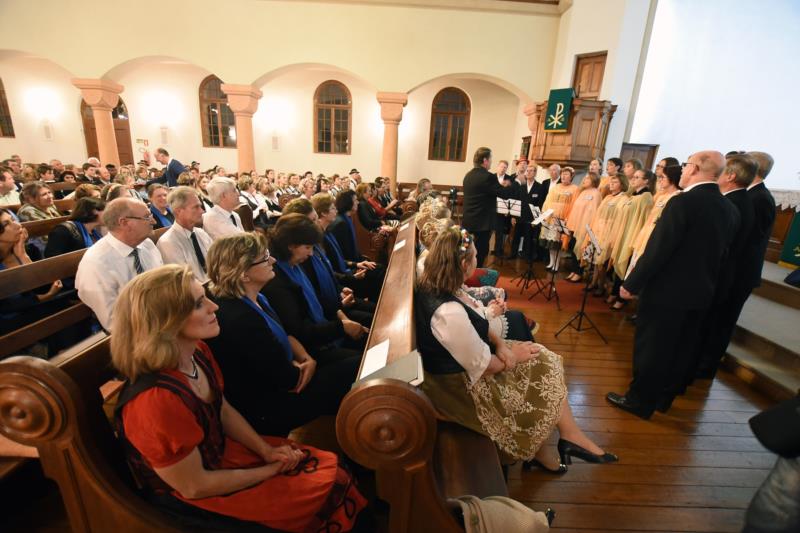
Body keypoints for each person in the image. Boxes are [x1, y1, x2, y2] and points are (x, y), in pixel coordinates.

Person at [110, 265, 369, 532]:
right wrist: (269, 470)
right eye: (200, 304)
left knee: (334, 469)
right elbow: (193, 486)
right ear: (166, 321)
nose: (215, 307)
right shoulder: (154, 400)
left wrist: (265, 450)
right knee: (324, 489)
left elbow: (222, 409)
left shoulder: (198, 351)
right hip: (196, 497)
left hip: (222, 459)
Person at [415, 226, 617, 469]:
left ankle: (568, 437)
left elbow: (475, 320)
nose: (478, 260)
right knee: (536, 363)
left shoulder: (441, 283)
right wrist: (515, 356)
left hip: (468, 363)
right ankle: (556, 444)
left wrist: (501, 344)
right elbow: (485, 366)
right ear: (464, 264)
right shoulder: (446, 312)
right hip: (456, 386)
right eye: (476, 256)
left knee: (543, 358)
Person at [607, 150, 738, 419]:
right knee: (680, 348)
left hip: (667, 292)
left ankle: (639, 401)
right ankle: (662, 399)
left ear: (697, 169)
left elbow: (659, 249)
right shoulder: (729, 208)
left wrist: (631, 283)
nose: (684, 169)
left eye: (688, 164)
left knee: (652, 348)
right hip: (701, 292)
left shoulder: (682, 203)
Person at [204, 233, 360, 437]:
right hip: (269, 407)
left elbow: (285, 334)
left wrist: (306, 358)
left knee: (357, 366)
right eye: (264, 258)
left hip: (291, 371)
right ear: (243, 274)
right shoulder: (240, 318)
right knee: (355, 371)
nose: (273, 260)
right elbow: (290, 380)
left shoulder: (256, 295)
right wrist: (304, 364)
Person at [263, 214, 368, 362]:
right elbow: (300, 331)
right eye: (307, 247)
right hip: (312, 349)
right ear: (290, 245)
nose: (311, 253)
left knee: (370, 335)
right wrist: (342, 327)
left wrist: (342, 318)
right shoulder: (276, 281)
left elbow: (317, 298)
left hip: (324, 329)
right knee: (362, 360)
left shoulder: (294, 265)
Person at [690, 154, 758, 381]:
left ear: (730, 176)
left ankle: (703, 367)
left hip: (725, 276)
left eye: (722, 171)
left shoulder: (737, 204)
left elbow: (731, 247)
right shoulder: (734, 201)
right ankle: (698, 364)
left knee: (717, 324)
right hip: (719, 274)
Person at [75, 198, 164, 331]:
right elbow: (114, 323)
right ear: (124, 222)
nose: (154, 221)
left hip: (164, 318)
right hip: (136, 334)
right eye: (147, 217)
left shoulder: (147, 245)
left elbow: (164, 286)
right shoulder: (96, 264)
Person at [284, 198, 374, 327]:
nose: (317, 223)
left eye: (316, 218)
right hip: (330, 314)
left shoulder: (316, 242)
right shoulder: (302, 257)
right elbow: (315, 295)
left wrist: (341, 289)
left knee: (375, 307)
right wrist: (340, 308)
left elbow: (328, 272)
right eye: (313, 220)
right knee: (373, 317)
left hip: (337, 299)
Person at [313, 193, 382, 302]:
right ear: (323, 213)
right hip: (342, 278)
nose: (336, 210)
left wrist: (357, 264)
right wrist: (353, 274)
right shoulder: (323, 235)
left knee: (378, 270)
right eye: (332, 208)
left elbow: (338, 258)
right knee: (378, 273)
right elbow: (332, 266)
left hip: (345, 271)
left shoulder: (328, 231)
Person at [607, 168, 654, 309]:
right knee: (617, 265)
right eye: (633, 177)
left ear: (646, 181)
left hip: (632, 235)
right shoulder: (632, 195)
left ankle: (622, 299)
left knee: (626, 264)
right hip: (623, 232)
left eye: (637, 177)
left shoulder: (646, 197)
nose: (632, 180)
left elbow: (643, 220)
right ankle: (615, 292)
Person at [625, 163, 682, 278]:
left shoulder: (677, 197)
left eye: (663, 177)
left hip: (654, 237)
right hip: (645, 234)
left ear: (673, 178)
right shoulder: (661, 196)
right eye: (660, 177)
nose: (659, 180)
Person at [461, 147, 512, 268]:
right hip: (482, 225)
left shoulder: (468, 175)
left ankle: (462, 278)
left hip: (467, 222)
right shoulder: (488, 177)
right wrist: (509, 185)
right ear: (485, 160)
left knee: (464, 252)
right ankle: (475, 280)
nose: (491, 162)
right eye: (490, 159)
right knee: (480, 253)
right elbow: (504, 195)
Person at [156, 187, 214, 283]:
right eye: (196, 207)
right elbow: (184, 281)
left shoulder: (201, 233)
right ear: (179, 211)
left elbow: (217, 262)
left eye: (200, 206)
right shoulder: (167, 243)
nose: (202, 211)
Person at [539, 166, 579, 272]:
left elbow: (574, 205)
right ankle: (551, 262)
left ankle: (556, 265)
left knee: (558, 244)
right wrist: (544, 214)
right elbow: (547, 201)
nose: (564, 176)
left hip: (562, 220)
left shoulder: (575, 189)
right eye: (562, 174)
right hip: (551, 218)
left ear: (571, 177)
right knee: (551, 243)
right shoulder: (555, 187)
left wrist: (569, 218)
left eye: (566, 174)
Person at [564, 172, 601, 283]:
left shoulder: (596, 194)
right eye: (584, 178)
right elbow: (576, 209)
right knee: (573, 249)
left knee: (580, 249)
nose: (584, 180)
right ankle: (574, 271)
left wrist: (587, 227)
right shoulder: (583, 192)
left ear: (593, 180)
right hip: (576, 225)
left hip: (585, 227)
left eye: (587, 179)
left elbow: (593, 212)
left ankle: (579, 272)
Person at [511, 164, 547, 261]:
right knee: (516, 236)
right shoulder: (521, 186)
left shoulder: (540, 187)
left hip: (531, 218)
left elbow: (540, 204)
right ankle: (513, 254)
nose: (529, 172)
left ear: (535, 173)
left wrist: (537, 219)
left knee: (528, 237)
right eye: (527, 171)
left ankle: (527, 256)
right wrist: (513, 216)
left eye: (531, 171)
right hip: (519, 216)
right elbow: (516, 201)